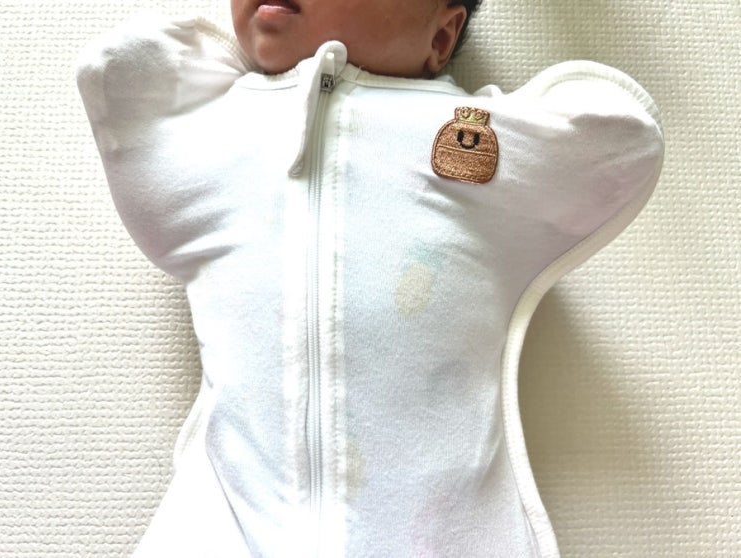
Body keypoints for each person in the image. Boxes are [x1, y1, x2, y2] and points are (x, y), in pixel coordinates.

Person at [77, 0, 664, 556]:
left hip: (439, 533)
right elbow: (121, 71)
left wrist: (504, 121)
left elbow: (621, 136)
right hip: (229, 528)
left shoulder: (472, 140)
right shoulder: (220, 130)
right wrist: (236, 61)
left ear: (441, 36)